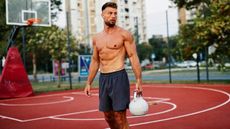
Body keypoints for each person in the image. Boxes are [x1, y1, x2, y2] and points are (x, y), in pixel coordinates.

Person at [84, 2, 142, 129]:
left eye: (115, 13)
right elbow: (95, 61)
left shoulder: (124, 34)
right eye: (110, 13)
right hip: (103, 79)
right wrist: (89, 82)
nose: (113, 16)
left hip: (118, 77)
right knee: (108, 117)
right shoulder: (96, 38)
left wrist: (138, 80)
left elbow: (133, 56)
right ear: (102, 15)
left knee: (120, 117)